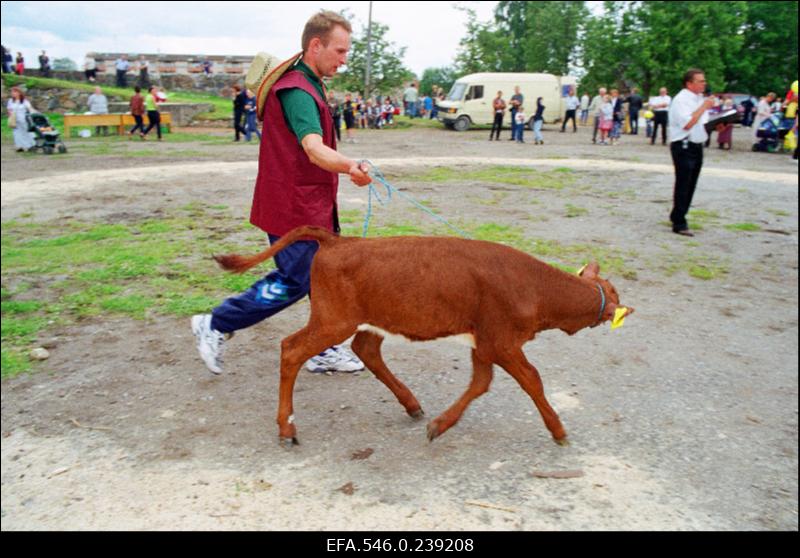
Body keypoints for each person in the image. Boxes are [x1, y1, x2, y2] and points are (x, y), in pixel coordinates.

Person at [191, 10, 372, 376]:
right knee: (295, 280)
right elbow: (313, 148)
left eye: (346, 52)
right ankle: (216, 323)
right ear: (315, 45)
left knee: (325, 276)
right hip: (292, 208)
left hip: (310, 203)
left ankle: (324, 347)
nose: (344, 59)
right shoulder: (297, 91)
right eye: (339, 51)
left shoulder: (310, 82)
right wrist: (350, 165)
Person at [667, 69, 717, 237]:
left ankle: (679, 214)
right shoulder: (681, 99)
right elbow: (687, 123)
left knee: (691, 183)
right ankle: (679, 221)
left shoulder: (699, 99)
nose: (704, 84)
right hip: (684, 144)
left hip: (696, 143)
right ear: (689, 83)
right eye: (700, 81)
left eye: (704, 81)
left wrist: (718, 124)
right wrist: (704, 107)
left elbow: (701, 123)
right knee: (683, 182)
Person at [7, 86, 36, 152]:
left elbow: (30, 108)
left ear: (19, 93)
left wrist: (35, 113)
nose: (12, 93)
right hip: (14, 120)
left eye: (14, 92)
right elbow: (9, 109)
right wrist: (11, 116)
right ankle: (20, 147)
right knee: (17, 133)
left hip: (23, 119)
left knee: (27, 132)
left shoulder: (24, 101)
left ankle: (31, 145)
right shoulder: (10, 101)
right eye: (12, 92)